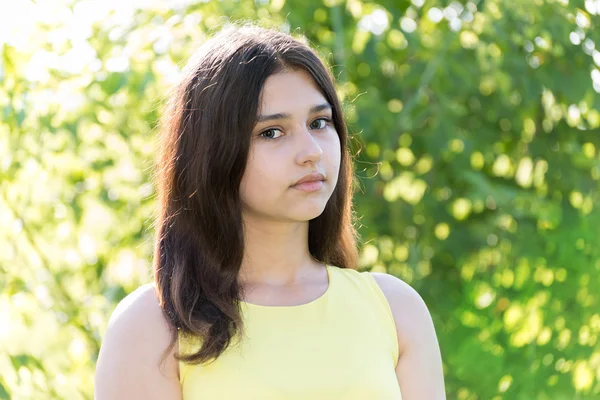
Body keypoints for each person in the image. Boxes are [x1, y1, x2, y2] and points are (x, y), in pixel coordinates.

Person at [94, 21, 446, 399]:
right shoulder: (151, 328)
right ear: (212, 154)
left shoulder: (396, 310)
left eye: (319, 122)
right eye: (271, 132)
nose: (311, 150)